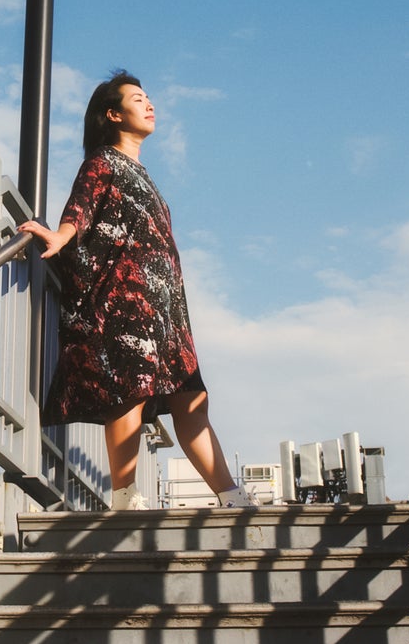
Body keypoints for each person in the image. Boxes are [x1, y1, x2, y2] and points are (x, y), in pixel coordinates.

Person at [19, 70, 254, 510]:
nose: (150, 105)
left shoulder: (146, 176)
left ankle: (232, 497)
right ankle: (126, 495)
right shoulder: (103, 161)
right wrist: (61, 236)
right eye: (138, 98)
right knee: (131, 392)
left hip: (166, 308)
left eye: (149, 98)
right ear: (113, 114)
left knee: (193, 398)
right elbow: (81, 207)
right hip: (124, 298)